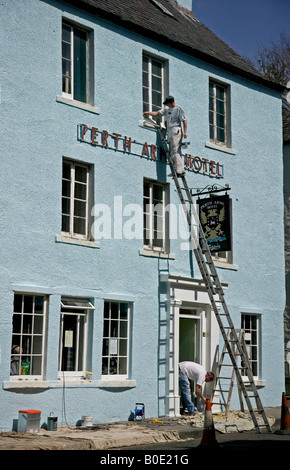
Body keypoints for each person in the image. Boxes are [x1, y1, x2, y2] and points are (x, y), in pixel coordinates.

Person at [143, 96, 187, 176]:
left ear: (172, 102)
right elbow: (158, 113)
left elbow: (184, 121)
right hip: (169, 130)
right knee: (173, 151)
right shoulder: (167, 108)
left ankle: (179, 170)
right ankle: (179, 170)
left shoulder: (178, 109)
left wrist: (185, 133)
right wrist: (148, 113)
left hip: (176, 130)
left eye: (168, 104)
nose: (167, 105)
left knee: (175, 150)